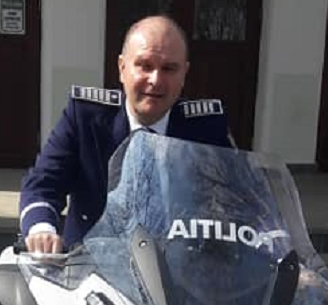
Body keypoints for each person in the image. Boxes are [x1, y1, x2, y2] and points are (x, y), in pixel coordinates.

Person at [20, 15, 234, 254]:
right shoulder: (85, 117)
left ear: (184, 74)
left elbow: (238, 198)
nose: (155, 80)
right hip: (89, 264)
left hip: (177, 268)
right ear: (122, 68)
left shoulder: (205, 127)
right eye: (145, 66)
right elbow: (43, 185)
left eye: (169, 69)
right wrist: (41, 229)